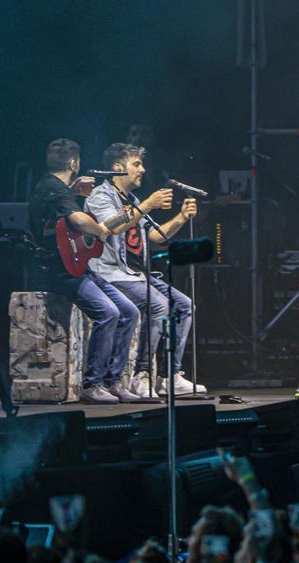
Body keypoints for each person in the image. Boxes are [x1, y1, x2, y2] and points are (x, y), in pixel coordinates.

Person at [84, 142, 206, 397]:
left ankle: (168, 375)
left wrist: (182, 217)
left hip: (136, 274)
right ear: (118, 168)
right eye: (136, 164)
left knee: (184, 305)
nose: (143, 169)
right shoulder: (101, 196)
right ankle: (142, 375)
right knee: (159, 304)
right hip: (109, 273)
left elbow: (155, 236)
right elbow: (112, 226)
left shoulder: (133, 200)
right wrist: (148, 205)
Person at [27, 138, 139, 404]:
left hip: (75, 267)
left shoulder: (56, 187)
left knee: (130, 311)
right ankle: (93, 384)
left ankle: (113, 382)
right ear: (74, 163)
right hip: (59, 271)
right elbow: (78, 220)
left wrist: (76, 193)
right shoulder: (53, 188)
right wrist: (101, 230)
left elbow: (64, 226)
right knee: (109, 312)